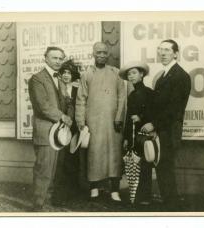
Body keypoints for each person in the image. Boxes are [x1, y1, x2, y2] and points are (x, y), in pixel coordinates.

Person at [141, 39, 191, 210]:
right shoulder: (164, 75)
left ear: (176, 53)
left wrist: (153, 124)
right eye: (160, 50)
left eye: (167, 50)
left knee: (166, 169)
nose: (162, 53)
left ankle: (172, 209)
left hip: (169, 131)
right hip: (162, 129)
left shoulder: (180, 76)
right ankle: (169, 205)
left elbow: (174, 109)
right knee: (162, 169)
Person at [75, 42, 126, 202]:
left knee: (114, 154)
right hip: (93, 121)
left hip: (113, 122)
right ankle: (94, 188)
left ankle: (114, 190)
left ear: (108, 54)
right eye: (99, 52)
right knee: (94, 154)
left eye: (105, 52)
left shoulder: (116, 73)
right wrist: (80, 121)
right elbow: (81, 99)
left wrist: (119, 117)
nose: (102, 55)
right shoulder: (87, 74)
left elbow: (122, 97)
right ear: (93, 54)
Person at [28, 46, 73, 211]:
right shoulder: (37, 79)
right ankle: (38, 205)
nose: (58, 61)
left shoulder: (60, 80)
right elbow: (43, 106)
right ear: (45, 58)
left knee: (55, 170)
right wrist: (62, 116)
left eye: (61, 58)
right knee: (44, 169)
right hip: (45, 131)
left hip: (59, 133)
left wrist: (69, 97)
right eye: (54, 58)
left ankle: (48, 201)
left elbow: (66, 104)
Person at [119, 61, 155, 205]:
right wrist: (127, 137)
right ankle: (135, 194)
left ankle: (145, 196)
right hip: (134, 135)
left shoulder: (149, 93)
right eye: (129, 74)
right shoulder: (132, 94)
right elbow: (129, 117)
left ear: (141, 74)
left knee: (145, 164)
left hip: (145, 134)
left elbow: (154, 112)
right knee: (134, 163)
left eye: (134, 73)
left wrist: (141, 117)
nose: (131, 76)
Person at [56, 59, 82, 199]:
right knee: (62, 159)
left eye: (69, 73)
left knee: (73, 158)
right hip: (60, 126)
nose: (66, 75)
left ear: (73, 75)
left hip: (74, 127)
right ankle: (61, 190)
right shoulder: (57, 87)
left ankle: (74, 190)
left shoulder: (77, 88)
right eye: (64, 72)